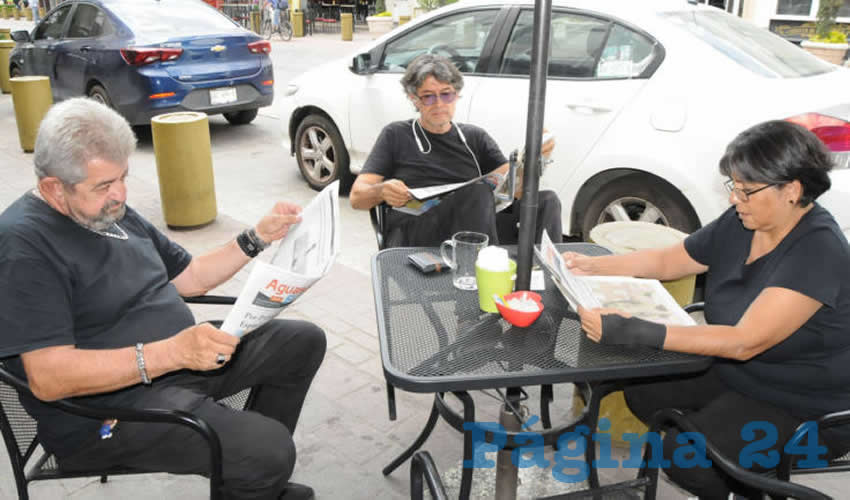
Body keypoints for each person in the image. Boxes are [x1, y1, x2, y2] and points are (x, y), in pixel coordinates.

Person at [0, 98, 325, 500]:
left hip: (177, 366)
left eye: (123, 177)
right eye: (103, 185)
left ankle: (247, 475)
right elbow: (49, 379)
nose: (119, 194)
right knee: (269, 449)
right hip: (103, 412)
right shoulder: (24, 247)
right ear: (52, 187)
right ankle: (254, 463)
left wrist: (257, 237)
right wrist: (171, 354)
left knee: (302, 342)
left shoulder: (108, 211)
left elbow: (190, 278)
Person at [563, 120, 850, 498]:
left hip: (802, 403)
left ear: (791, 191)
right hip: (738, 372)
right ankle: (729, 473)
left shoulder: (817, 252)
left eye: (746, 191)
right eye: (735, 188)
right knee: (641, 388)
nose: (735, 199)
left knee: (687, 457)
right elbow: (672, 261)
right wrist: (592, 264)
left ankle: (732, 484)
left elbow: (744, 342)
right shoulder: (745, 221)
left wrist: (634, 329)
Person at [350, 54, 563, 247]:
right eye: (428, 96)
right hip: (417, 231)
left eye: (446, 94)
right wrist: (381, 190)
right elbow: (357, 197)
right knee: (477, 193)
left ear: (457, 95)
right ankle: (486, 275)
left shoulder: (474, 137)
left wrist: (538, 157)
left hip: (473, 227)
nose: (439, 104)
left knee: (547, 200)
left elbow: (514, 190)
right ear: (413, 98)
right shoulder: (396, 135)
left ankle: (545, 277)